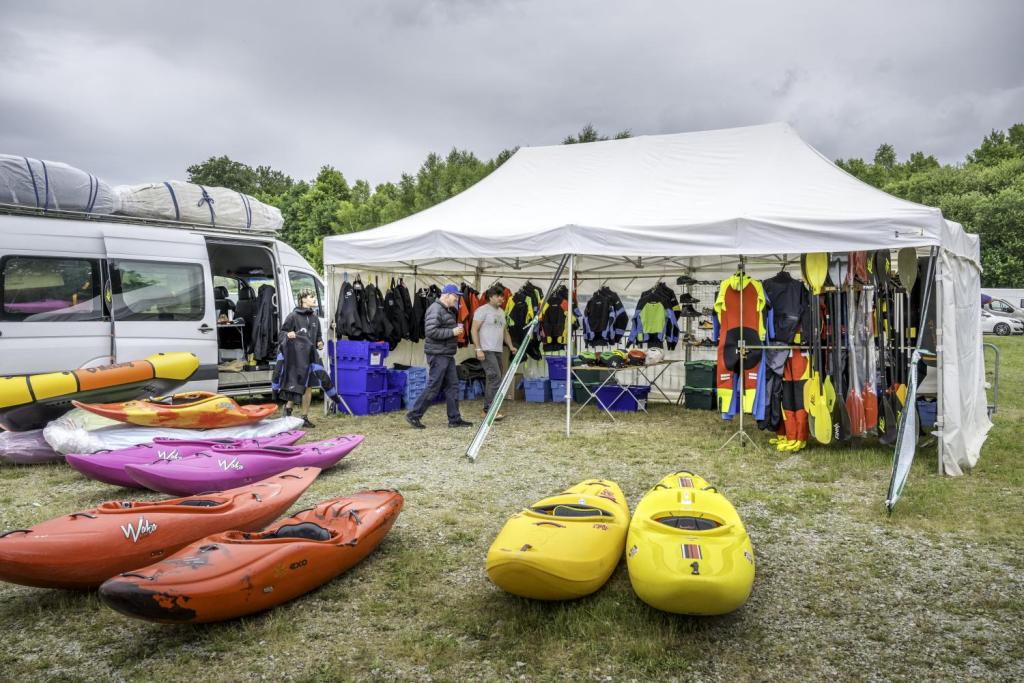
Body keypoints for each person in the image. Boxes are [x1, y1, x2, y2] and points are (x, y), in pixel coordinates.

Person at [406, 284, 473, 429]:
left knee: (453, 386)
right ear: (447, 295)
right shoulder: (435, 309)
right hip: (438, 355)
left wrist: (453, 331)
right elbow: (431, 332)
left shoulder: (446, 310)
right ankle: (414, 415)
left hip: (446, 354)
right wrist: (452, 332)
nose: (456, 300)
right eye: (455, 297)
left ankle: (454, 419)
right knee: (434, 387)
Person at [275, 289, 334, 427]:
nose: (314, 299)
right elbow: (281, 334)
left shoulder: (314, 318)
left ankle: (304, 417)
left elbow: (318, 337)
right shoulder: (293, 316)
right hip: (296, 358)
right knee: (297, 386)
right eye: (311, 296)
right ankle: (288, 411)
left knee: (309, 387)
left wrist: (320, 343)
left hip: (311, 357)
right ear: (303, 299)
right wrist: (288, 334)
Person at [472, 284, 517, 420]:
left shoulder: (501, 312)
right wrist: (478, 348)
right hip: (486, 349)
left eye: (502, 296)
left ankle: (488, 409)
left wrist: (510, 346)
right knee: (495, 378)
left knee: (494, 379)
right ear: (491, 297)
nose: (502, 299)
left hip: (497, 350)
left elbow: (505, 332)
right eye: (499, 296)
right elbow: (473, 330)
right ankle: (489, 410)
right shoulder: (482, 310)